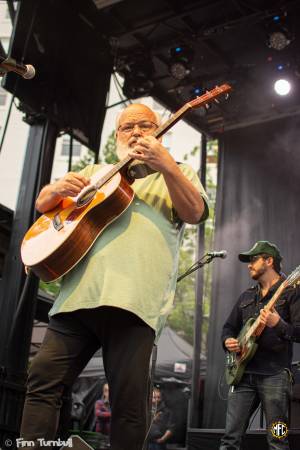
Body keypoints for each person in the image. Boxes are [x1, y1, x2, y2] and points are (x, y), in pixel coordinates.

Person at [20, 103, 209, 450]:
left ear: (160, 133)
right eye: (127, 127)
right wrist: (58, 188)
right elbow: (43, 204)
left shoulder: (177, 172)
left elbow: (195, 211)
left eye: (145, 126)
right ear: (118, 136)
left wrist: (166, 163)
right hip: (75, 298)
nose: (135, 132)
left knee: (129, 403)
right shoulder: (96, 171)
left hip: (134, 304)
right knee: (42, 382)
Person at [219, 241, 300, 450]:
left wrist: (279, 324)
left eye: (253, 259)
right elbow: (228, 328)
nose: (249, 265)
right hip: (243, 376)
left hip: (276, 376)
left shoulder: (291, 292)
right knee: (230, 438)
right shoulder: (246, 296)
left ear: (269, 261)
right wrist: (228, 341)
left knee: (278, 438)